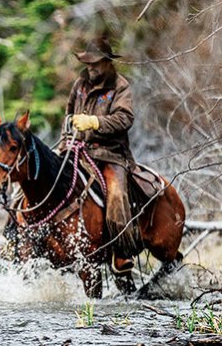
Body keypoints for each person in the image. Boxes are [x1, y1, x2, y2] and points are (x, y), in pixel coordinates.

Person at [65, 36, 139, 274]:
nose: (91, 67)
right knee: (41, 174)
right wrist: (67, 136)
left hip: (111, 155)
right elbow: (68, 113)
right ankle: (19, 235)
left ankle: (122, 251)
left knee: (116, 196)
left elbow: (125, 118)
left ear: (107, 62)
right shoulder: (79, 85)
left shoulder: (120, 86)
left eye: (95, 63)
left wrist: (95, 122)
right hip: (77, 150)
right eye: (88, 63)